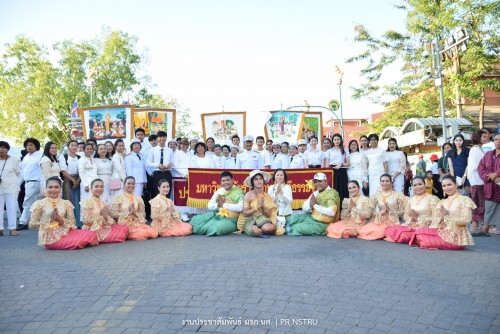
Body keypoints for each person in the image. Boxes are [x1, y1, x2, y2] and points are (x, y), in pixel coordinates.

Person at [29, 177, 98, 250]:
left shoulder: (66, 203)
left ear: (60, 188)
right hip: (50, 237)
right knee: (78, 241)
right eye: (50, 187)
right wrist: (50, 220)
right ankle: (79, 242)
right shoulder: (39, 204)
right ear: (46, 188)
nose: (53, 190)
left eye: (56, 187)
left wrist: (60, 219)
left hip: (66, 231)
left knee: (92, 234)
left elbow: (73, 224)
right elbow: (32, 224)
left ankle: (80, 241)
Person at [409, 175, 476, 250]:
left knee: (420, 236)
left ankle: (433, 243)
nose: (447, 188)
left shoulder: (465, 200)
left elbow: (467, 220)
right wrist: (418, 218)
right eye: (444, 186)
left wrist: (447, 216)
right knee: (419, 232)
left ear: (456, 185)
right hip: (443, 232)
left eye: (449, 185)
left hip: (457, 237)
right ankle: (432, 243)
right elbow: (435, 221)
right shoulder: (442, 202)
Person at [385, 176, 440, 244]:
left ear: (425, 185)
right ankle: (412, 237)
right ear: (412, 187)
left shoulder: (432, 199)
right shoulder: (410, 200)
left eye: (420, 184)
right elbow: (405, 215)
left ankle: (417, 237)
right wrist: (411, 218)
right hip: (412, 224)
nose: (418, 187)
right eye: (415, 185)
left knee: (403, 234)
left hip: (425, 226)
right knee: (389, 229)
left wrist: (419, 219)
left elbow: (436, 217)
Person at [190, 171, 244, 236]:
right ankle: (205, 226)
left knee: (215, 228)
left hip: (231, 220)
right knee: (195, 220)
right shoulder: (220, 191)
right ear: (221, 182)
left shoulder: (238, 192)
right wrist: (218, 205)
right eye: (223, 181)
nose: (225, 182)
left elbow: (240, 208)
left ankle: (205, 227)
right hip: (217, 215)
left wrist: (223, 204)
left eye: (228, 180)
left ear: (232, 180)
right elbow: (209, 206)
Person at [357, 174, 407, 240]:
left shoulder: (398, 195)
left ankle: (388, 232)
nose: (384, 183)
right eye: (382, 181)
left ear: (391, 182)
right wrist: (378, 213)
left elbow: (403, 211)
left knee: (379, 232)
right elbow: (370, 210)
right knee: (363, 230)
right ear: (380, 183)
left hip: (393, 222)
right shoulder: (376, 196)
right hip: (380, 221)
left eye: (387, 181)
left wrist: (392, 212)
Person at [80, 179, 128, 243]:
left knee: (124, 229)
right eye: (96, 186)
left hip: (104, 227)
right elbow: (85, 220)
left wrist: (106, 218)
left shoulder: (104, 203)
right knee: (120, 235)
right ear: (91, 188)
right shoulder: (87, 201)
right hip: (92, 228)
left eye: (101, 187)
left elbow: (110, 218)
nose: (99, 189)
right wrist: (100, 216)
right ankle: (93, 238)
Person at [111, 176, 158, 240]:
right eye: (129, 183)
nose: (131, 185)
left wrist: (135, 213)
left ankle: (136, 231)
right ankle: (127, 233)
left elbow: (143, 214)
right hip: (124, 224)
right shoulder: (118, 197)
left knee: (154, 233)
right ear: (124, 184)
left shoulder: (138, 198)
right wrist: (128, 213)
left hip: (136, 222)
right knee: (142, 234)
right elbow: (114, 214)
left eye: (133, 184)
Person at [237, 170, 277, 237]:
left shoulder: (267, 196)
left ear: (263, 181)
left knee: (268, 228)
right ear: (252, 182)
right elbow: (245, 213)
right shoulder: (248, 195)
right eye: (256, 179)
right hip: (250, 220)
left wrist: (263, 207)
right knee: (257, 231)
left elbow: (269, 215)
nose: (259, 181)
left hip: (262, 218)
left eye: (260, 179)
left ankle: (263, 229)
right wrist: (257, 207)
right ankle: (258, 229)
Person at [477, 132, 500, 236]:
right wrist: (490, 175)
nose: (498, 141)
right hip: (491, 185)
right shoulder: (488, 154)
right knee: (489, 207)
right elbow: (480, 168)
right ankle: (485, 228)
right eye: (496, 139)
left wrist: (497, 174)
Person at [468, 130, 489, 231]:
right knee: (477, 202)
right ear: (478, 138)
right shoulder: (475, 150)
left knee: (480, 202)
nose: (486, 138)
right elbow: (476, 166)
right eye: (483, 136)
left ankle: (477, 224)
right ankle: (474, 224)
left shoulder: (480, 149)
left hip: (480, 179)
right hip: (477, 180)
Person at [146, 131, 174, 199]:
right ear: (157, 138)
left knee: (167, 194)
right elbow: (148, 163)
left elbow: (173, 162)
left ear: (166, 138)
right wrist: (158, 165)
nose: (162, 138)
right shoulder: (152, 150)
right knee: (156, 194)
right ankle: (157, 209)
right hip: (157, 174)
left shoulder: (170, 150)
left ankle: (166, 209)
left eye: (164, 137)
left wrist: (171, 164)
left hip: (167, 174)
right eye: (160, 137)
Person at [0, 141, 20, 236]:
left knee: (12, 207)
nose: (1, 149)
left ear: (7, 149)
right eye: (0, 147)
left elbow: (18, 173)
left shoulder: (14, 160)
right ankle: (0, 229)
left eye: (4, 147)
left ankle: (13, 228)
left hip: (12, 187)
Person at [59, 140, 81, 226]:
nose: (74, 147)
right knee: (69, 201)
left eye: (76, 145)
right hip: (68, 180)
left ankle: (79, 222)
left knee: (78, 201)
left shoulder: (79, 157)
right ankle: (70, 223)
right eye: (72, 145)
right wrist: (73, 180)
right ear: (68, 147)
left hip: (78, 180)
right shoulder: (63, 157)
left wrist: (78, 180)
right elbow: (63, 171)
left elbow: (81, 170)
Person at [268, 169, 292, 235]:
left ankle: (286, 225)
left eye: (281, 175)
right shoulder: (271, 187)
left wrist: (282, 194)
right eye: (277, 175)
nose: (279, 177)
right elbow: (269, 202)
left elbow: (289, 201)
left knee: (287, 230)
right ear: (274, 177)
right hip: (274, 214)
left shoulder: (288, 187)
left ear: (284, 177)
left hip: (286, 214)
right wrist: (275, 194)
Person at [326, 133, 349, 203]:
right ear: (332, 141)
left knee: (343, 188)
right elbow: (327, 164)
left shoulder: (345, 150)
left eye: (338, 139)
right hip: (332, 171)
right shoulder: (329, 151)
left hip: (342, 170)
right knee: (334, 188)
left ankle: (343, 208)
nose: (336, 141)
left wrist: (341, 164)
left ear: (341, 140)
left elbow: (348, 163)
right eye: (335, 139)